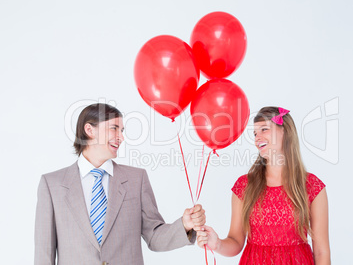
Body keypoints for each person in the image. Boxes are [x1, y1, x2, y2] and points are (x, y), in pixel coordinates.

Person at [34, 103, 206, 265]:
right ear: (89, 130)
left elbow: (154, 237)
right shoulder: (52, 185)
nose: (121, 137)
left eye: (122, 130)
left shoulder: (136, 179)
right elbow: (44, 254)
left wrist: (184, 225)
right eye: (114, 128)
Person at [196, 107, 330, 264]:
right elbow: (236, 242)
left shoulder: (312, 186)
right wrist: (217, 243)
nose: (257, 138)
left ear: (285, 131)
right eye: (254, 134)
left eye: (264, 129)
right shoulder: (245, 186)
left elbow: (321, 252)